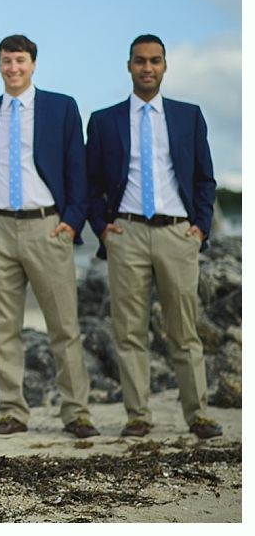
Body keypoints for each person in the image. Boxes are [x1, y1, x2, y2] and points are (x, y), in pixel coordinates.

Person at [85, 34, 221, 440]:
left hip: (177, 233)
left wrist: (199, 227)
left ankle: (197, 415)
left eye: (155, 61)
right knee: (129, 330)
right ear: (129, 66)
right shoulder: (105, 120)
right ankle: (138, 416)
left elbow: (204, 179)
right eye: (140, 61)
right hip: (126, 233)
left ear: (165, 66)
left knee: (184, 329)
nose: (147, 68)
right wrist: (103, 228)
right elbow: (92, 183)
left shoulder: (188, 116)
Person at [0, 35, 99, 439]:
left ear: (33, 64)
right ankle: (12, 412)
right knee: (3, 326)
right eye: (7, 61)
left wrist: (73, 220)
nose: (13, 68)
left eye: (20, 61)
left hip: (48, 226)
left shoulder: (61, 108)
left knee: (64, 325)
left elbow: (78, 168)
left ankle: (76, 412)